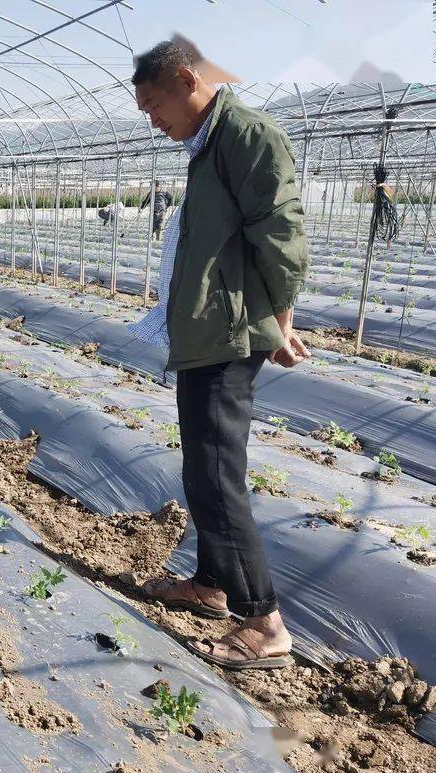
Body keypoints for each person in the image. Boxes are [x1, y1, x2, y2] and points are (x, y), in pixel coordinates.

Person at [127, 40, 310, 670]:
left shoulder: (247, 136)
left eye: (154, 105)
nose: (152, 121)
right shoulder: (206, 143)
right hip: (207, 331)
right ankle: (210, 587)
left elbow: (281, 235)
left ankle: (264, 622)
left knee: (215, 476)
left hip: (230, 334)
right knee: (202, 467)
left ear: (186, 80)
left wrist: (281, 323)